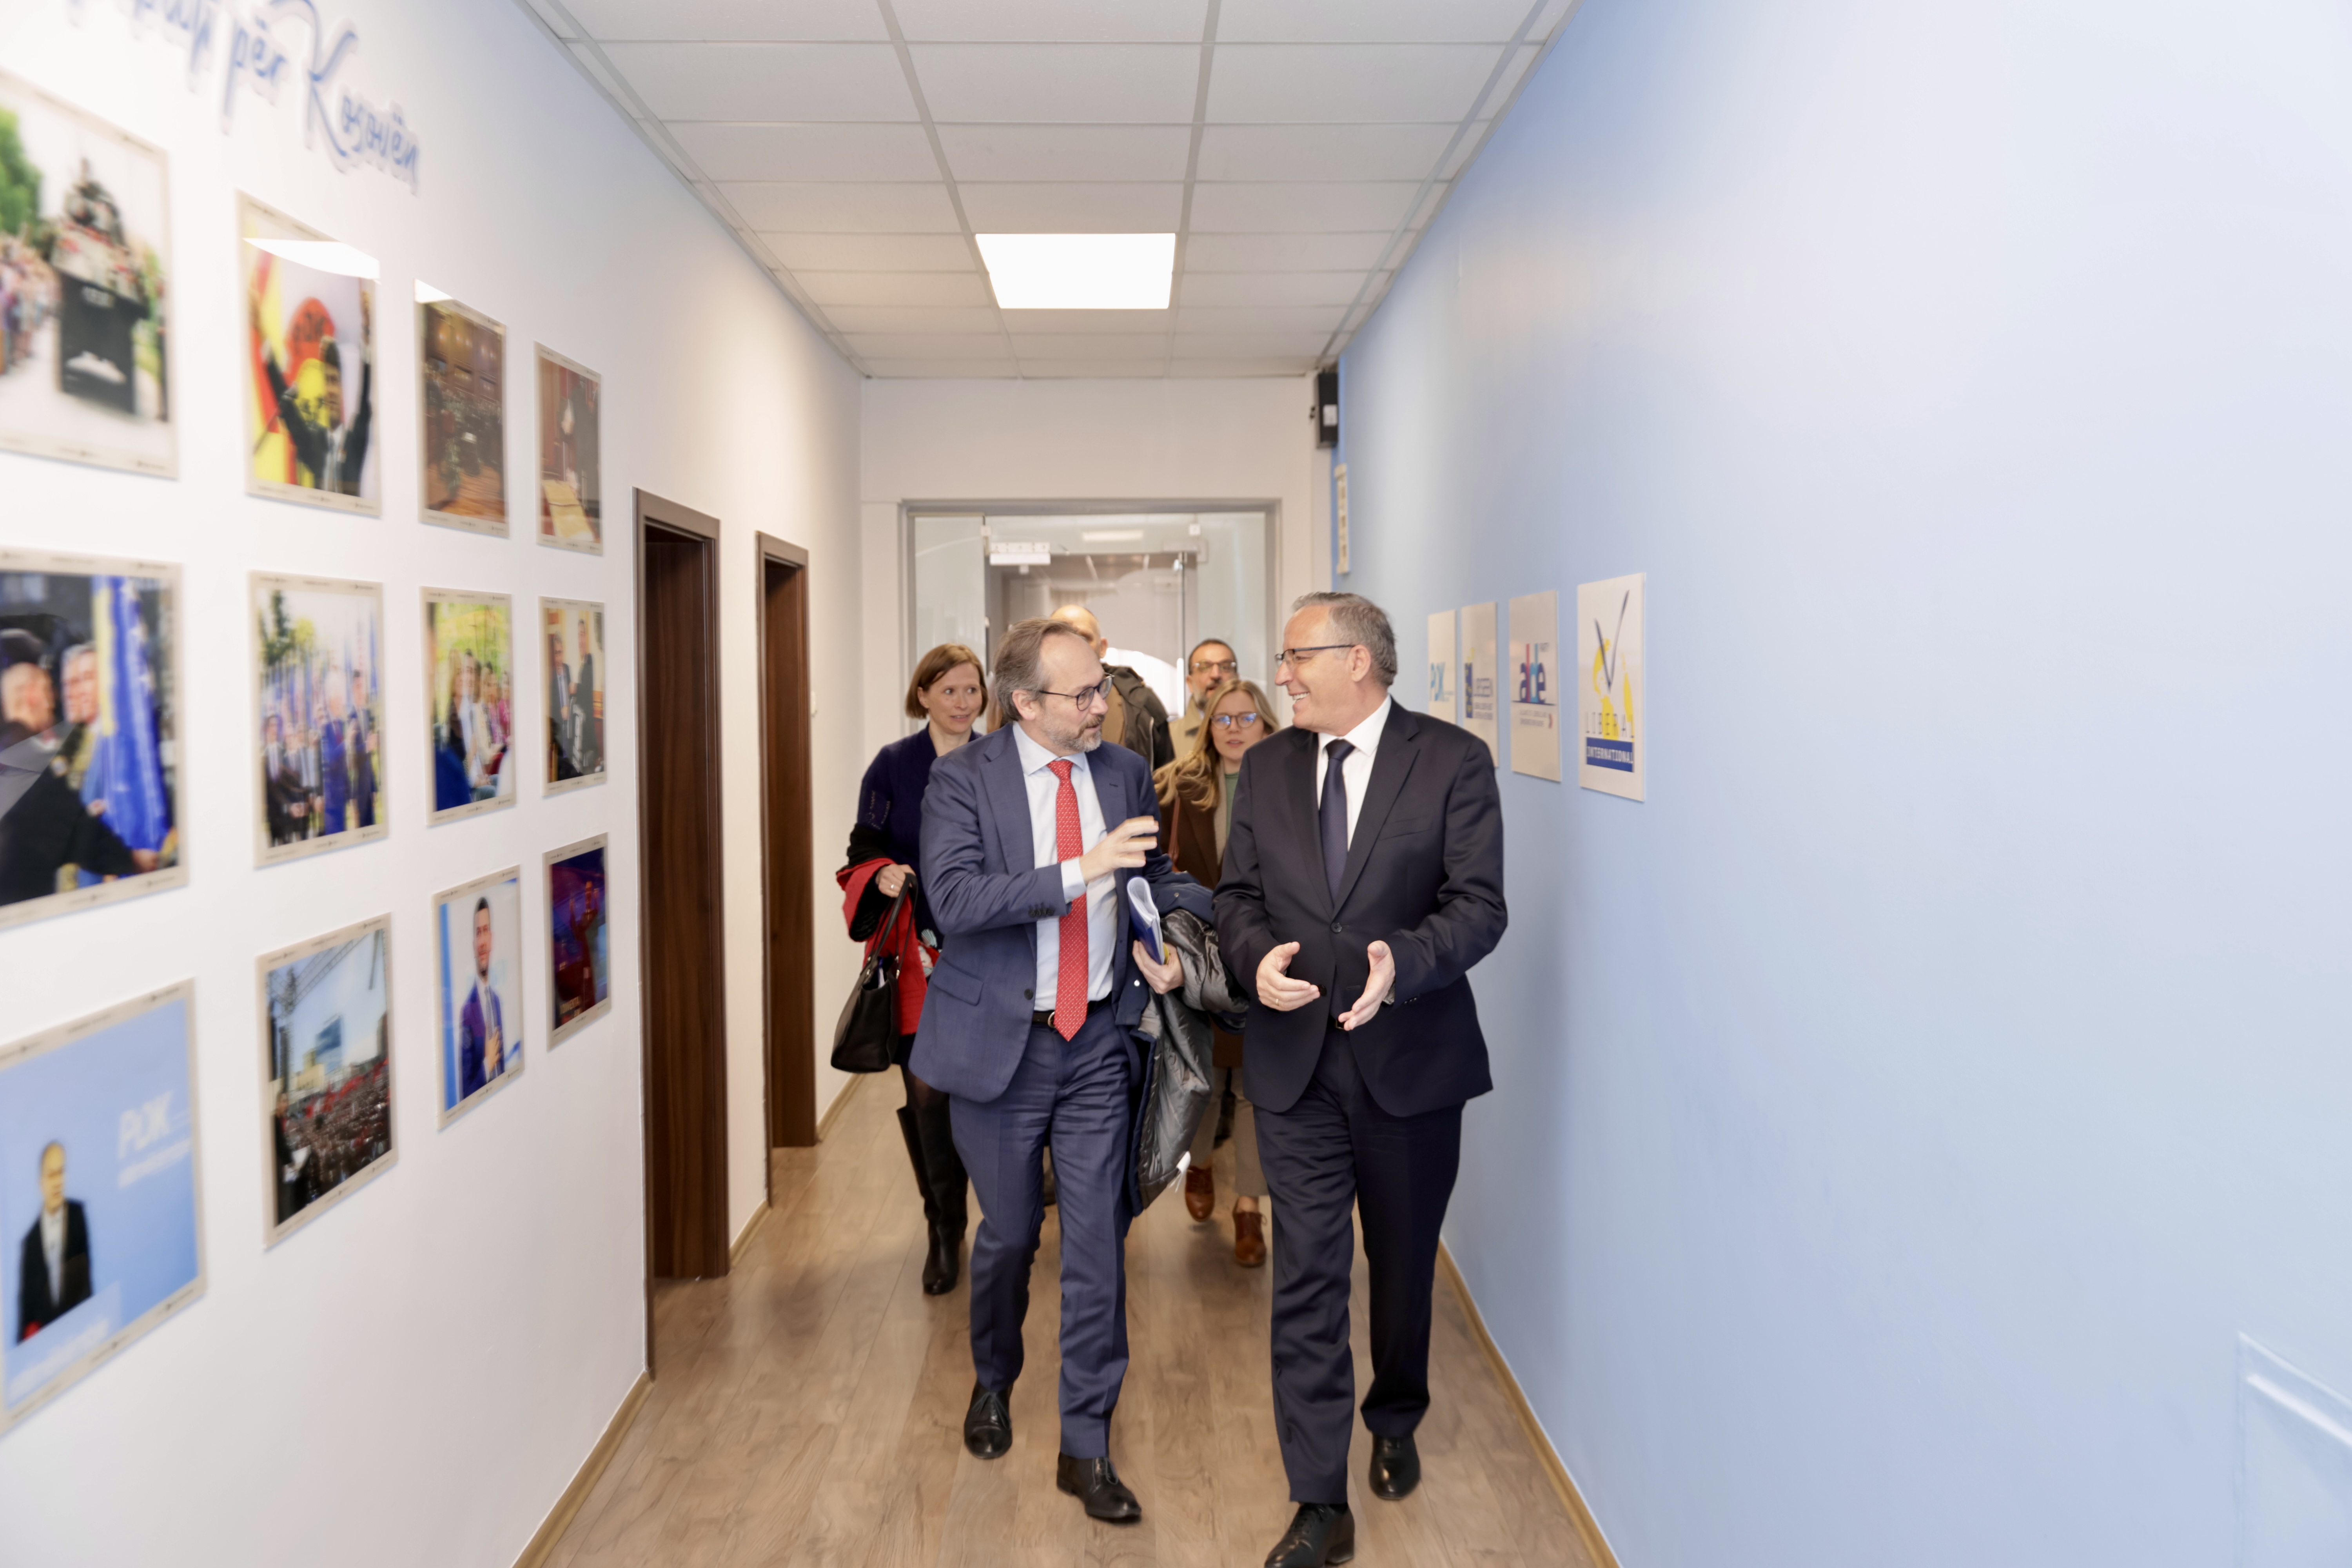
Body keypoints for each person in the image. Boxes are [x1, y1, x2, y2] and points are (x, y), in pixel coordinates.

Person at [1216, 592, 1508, 1568]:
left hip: (1411, 1062)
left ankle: (1396, 1412)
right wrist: (1252, 957)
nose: (1281, 675)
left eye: (1297, 656)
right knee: (1306, 1275)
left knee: (1402, 1261)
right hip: (1294, 1065)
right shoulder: (1266, 766)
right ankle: (1318, 1500)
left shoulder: (1452, 760)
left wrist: (1403, 964)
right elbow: (1237, 896)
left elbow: (1479, 905)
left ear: (1357, 660)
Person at [911, 616, 1207, 1524]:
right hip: (1002, 1044)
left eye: (1102, 686)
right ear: (1024, 703)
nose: (1101, 705)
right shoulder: (963, 779)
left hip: (1098, 1044)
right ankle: (994, 1376)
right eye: (1082, 693)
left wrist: (1192, 936)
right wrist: (1081, 870)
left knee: (1097, 1245)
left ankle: (1086, 1444)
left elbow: (1154, 874)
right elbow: (955, 898)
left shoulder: (1121, 771)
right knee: (1007, 1235)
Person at [838, 642, 985, 1296]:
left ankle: (1003, 1212)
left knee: (986, 1088)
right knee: (925, 1091)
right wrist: (882, 873)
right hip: (917, 958)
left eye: (971, 690)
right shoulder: (892, 766)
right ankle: (943, 1227)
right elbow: (861, 847)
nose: (962, 702)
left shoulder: (1000, 760)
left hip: (987, 949)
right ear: (922, 695)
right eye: (948, 690)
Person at [1155, 675, 1279, 1266]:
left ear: (1267, 724)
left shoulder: (1291, 786)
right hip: (1199, 956)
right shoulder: (1180, 786)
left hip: (1266, 954)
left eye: (1246, 718)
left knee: (1256, 1087)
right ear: (1208, 728)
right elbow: (1160, 871)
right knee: (1203, 1076)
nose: (1234, 729)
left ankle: (1249, 1207)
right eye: (1223, 719)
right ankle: (1199, 1164)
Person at [252, 279, 374, 495]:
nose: (331, 391)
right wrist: (261, 330)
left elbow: (364, 403)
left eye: (335, 381)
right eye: (327, 382)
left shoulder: (354, 441)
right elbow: (286, 405)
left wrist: (367, 332)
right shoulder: (316, 442)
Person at [1047, 605, 1173, 769]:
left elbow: (1165, 778)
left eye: (1084, 638)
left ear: (1103, 648)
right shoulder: (1025, 704)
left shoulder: (1142, 705)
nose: (1074, 646)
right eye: (1061, 637)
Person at [17, 1141, 93, 1343]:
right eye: (51, 1175)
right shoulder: (30, 1243)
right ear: (41, 1183)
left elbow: (87, 1289)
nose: (58, 1181)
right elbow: (26, 1318)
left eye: (61, 1172)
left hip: (81, 1337)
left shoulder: (77, 1216)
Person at [458, 898, 506, 1097]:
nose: (483, 942)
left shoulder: (496, 1002)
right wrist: (488, 1064)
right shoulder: (467, 1012)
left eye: (486, 931)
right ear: (474, 944)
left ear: (492, 939)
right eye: (478, 933)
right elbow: (465, 1091)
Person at [1169, 638, 1240, 758]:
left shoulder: (1260, 733)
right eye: (1205, 667)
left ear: (1237, 679)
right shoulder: (1168, 737)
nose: (1216, 675)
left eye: (1225, 667)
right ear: (1190, 683)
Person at [347, 668, 376, 830]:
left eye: (363, 686)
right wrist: (353, 797)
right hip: (358, 791)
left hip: (369, 790)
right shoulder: (350, 718)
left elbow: (370, 758)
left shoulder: (367, 714)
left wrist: (375, 788)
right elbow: (350, 756)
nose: (361, 691)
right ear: (353, 689)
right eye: (358, 686)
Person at [570, 618, 599, 774]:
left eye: (583, 634)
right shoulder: (582, 663)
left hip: (588, 728)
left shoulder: (590, 659)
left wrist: (576, 687)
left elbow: (587, 690)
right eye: (578, 635)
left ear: (587, 637)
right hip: (581, 728)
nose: (580, 640)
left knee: (588, 770)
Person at [548, 631, 576, 781]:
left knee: (571, 763)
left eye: (560, 653)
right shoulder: (551, 676)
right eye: (556, 654)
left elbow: (573, 699)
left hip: (570, 726)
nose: (558, 658)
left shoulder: (568, 670)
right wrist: (561, 712)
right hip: (559, 728)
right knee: (561, 767)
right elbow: (551, 709)